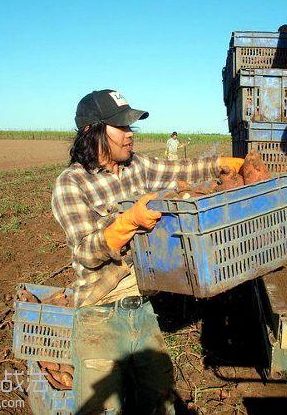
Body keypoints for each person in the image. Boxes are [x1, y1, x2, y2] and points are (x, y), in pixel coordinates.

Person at [51, 89, 244, 414]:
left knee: (160, 404)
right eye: (121, 127)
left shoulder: (136, 167)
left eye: (131, 127)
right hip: (99, 314)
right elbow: (86, 251)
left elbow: (179, 172)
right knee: (103, 409)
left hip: (143, 310)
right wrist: (127, 222)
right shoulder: (72, 183)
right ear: (91, 131)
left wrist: (222, 163)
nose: (130, 135)